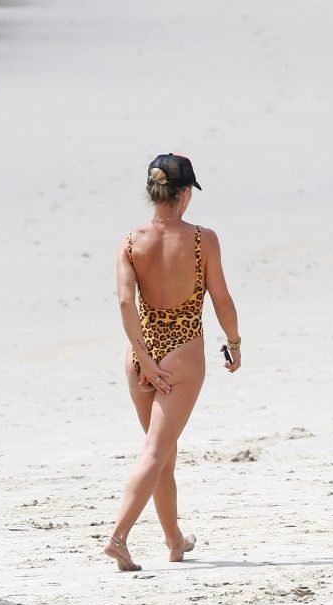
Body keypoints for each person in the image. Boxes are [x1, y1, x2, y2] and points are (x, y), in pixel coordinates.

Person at [103, 153, 240, 571]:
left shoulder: (130, 241)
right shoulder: (202, 239)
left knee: (162, 452)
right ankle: (118, 538)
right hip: (182, 354)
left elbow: (125, 302)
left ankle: (174, 541)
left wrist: (144, 358)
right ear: (184, 194)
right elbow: (221, 299)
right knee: (155, 452)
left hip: (139, 356)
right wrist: (234, 342)